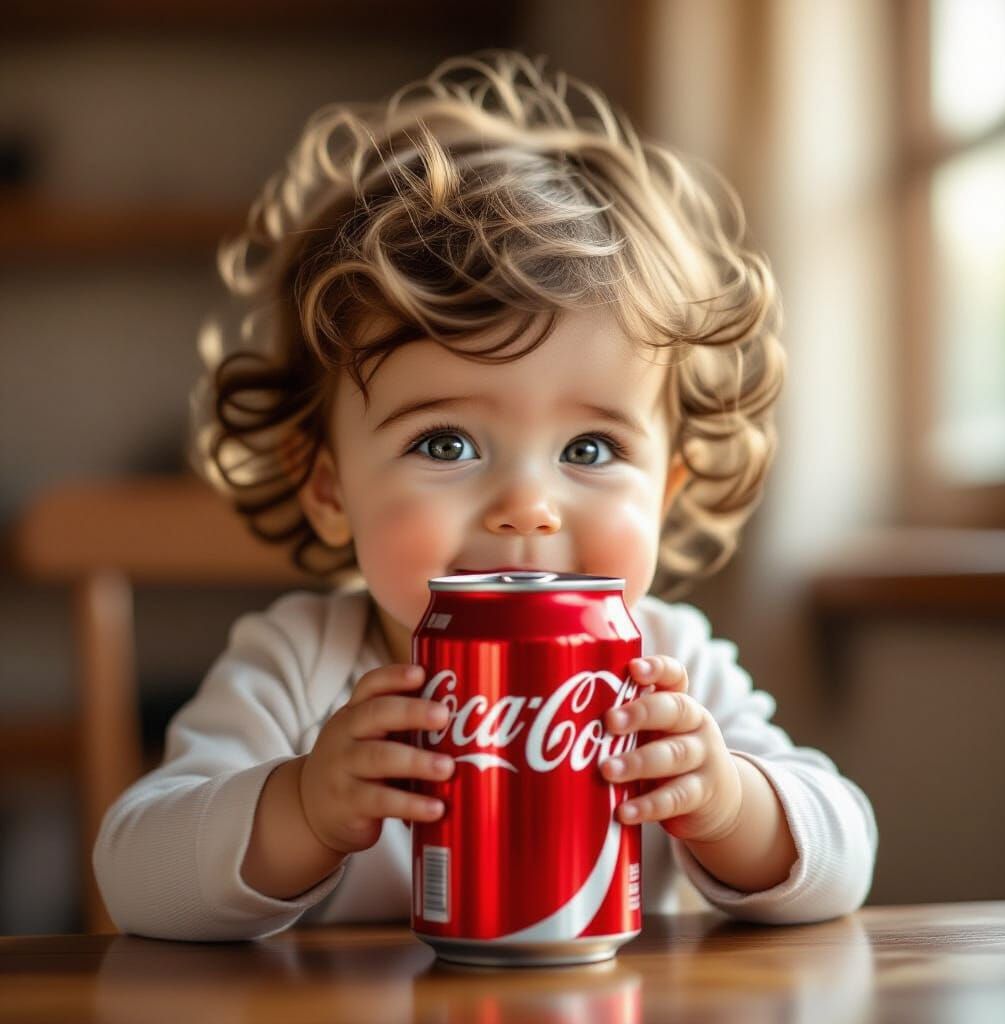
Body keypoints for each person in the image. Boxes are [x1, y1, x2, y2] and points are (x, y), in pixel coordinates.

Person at [93, 49, 877, 941]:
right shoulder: (296, 667)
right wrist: (300, 807)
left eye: (590, 447)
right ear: (328, 488)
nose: (526, 504)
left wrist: (730, 803)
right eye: (445, 441)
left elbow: (846, 854)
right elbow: (133, 872)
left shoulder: (671, 664)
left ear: (665, 491)